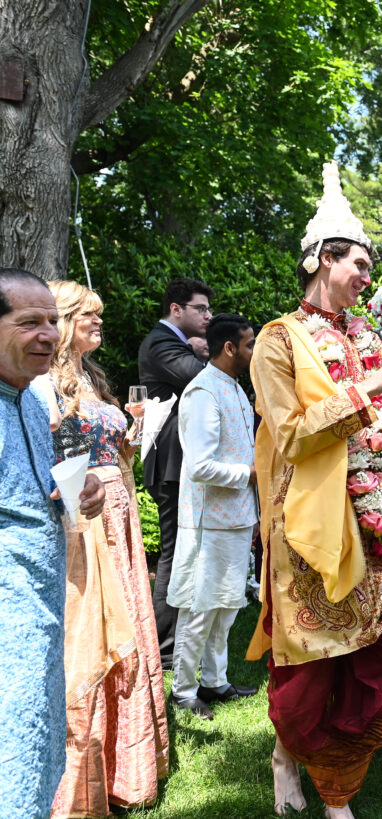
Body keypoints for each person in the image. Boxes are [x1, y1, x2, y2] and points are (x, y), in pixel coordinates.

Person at [244, 161, 382, 818]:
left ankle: (337, 789)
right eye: (359, 263)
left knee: (370, 666)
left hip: (379, 527)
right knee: (309, 675)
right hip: (311, 531)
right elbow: (290, 435)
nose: (368, 276)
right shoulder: (277, 339)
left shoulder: (366, 337)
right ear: (323, 258)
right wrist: (365, 392)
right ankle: (287, 755)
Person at [35, 281, 169, 816]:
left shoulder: (92, 376)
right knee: (95, 627)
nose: (99, 322)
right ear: (66, 319)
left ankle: (128, 767)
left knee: (130, 618)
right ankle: (81, 774)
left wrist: (133, 430)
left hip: (121, 505)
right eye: (90, 314)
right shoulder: (45, 381)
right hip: (85, 514)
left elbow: (108, 444)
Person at [0, 269, 105, 816]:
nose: (48, 334)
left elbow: (39, 484)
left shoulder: (34, 400)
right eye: (29, 322)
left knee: (36, 742)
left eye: (51, 321)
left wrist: (78, 489)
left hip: (41, 609)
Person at [167, 314, 259, 720]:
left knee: (227, 606)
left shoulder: (235, 389)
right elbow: (200, 466)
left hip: (237, 516)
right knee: (200, 608)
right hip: (206, 519)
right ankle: (183, 690)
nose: (253, 352)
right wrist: (252, 474)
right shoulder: (203, 392)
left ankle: (215, 681)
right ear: (229, 348)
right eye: (249, 344)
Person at [138, 276, 213, 668]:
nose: (208, 316)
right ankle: (164, 649)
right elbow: (201, 380)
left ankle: (177, 643)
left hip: (185, 462)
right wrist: (205, 353)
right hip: (172, 463)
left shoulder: (179, 342)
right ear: (176, 310)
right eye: (201, 309)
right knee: (174, 553)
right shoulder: (160, 342)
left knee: (188, 552)